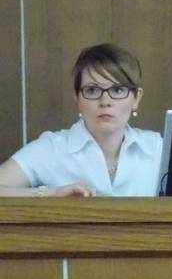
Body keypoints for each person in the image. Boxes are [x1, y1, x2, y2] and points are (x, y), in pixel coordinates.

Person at [0, 43, 162, 197]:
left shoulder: (158, 148)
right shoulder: (53, 148)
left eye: (118, 90)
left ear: (136, 98)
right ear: (77, 98)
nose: (105, 101)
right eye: (92, 90)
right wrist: (51, 193)